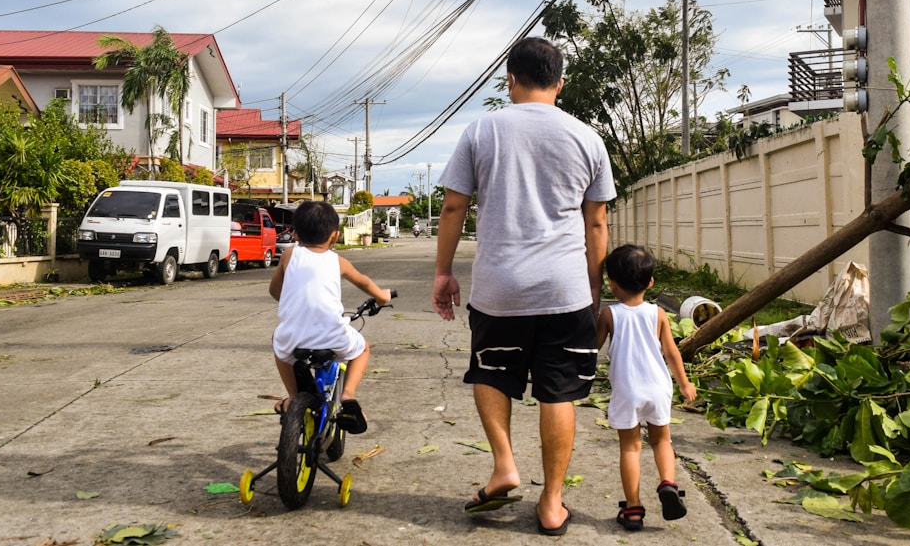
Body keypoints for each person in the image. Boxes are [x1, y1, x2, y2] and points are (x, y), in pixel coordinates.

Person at [433, 36, 616, 536]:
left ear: (509, 79)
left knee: (493, 375)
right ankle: (552, 503)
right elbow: (596, 225)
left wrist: (443, 271)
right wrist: (595, 292)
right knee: (558, 392)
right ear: (560, 82)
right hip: (566, 290)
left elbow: (453, 207)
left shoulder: (481, 130)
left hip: (499, 290)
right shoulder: (587, 138)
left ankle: (504, 465)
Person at [596, 244, 697, 531]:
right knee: (662, 441)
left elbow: (592, 349)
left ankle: (633, 509)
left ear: (611, 284)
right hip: (658, 387)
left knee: (630, 448)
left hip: (628, 390)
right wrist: (685, 383)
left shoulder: (609, 315)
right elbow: (672, 353)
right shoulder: (658, 314)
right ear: (651, 283)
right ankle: (668, 483)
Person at [268, 200, 392, 432]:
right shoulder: (338, 261)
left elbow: (275, 291)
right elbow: (364, 281)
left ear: (295, 234)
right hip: (333, 335)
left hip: (293, 336)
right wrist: (382, 297)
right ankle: (348, 395)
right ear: (334, 237)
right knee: (363, 349)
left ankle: (294, 398)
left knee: (278, 344)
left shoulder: (288, 256)